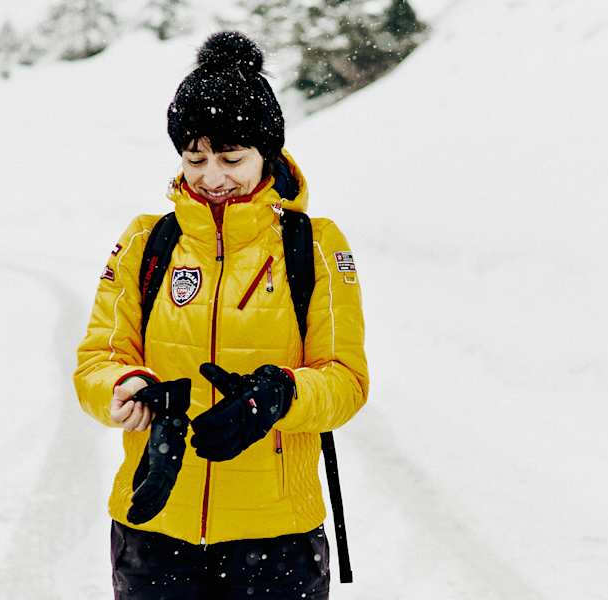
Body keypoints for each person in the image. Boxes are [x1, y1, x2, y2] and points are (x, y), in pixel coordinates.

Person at [73, 32, 369, 600]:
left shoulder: (313, 245)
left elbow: (346, 381)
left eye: (232, 158)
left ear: (268, 154)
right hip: (154, 526)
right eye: (195, 157)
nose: (211, 177)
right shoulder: (146, 241)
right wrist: (129, 388)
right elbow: (98, 360)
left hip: (276, 538)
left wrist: (278, 396)